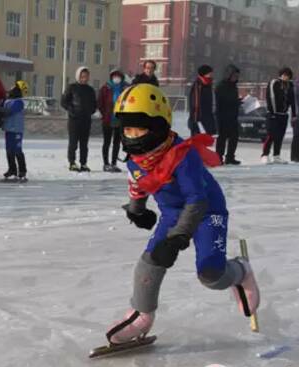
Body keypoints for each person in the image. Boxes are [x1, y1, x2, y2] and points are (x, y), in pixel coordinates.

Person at [104, 83, 260, 345]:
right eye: (127, 129)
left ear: (157, 126)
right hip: (172, 213)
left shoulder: (181, 156)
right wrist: (137, 210)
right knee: (150, 262)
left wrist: (178, 238)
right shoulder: (135, 157)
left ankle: (240, 272)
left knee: (211, 276)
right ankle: (141, 314)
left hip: (207, 211)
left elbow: (196, 200)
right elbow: (137, 182)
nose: (131, 136)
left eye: (138, 128)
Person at [61, 66, 97, 172]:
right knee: (73, 143)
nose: (84, 78)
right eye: (82, 76)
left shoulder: (90, 90)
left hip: (86, 120)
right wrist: (71, 110)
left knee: (84, 144)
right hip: (74, 120)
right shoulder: (71, 87)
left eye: (86, 76)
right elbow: (64, 102)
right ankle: (72, 162)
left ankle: (83, 163)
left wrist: (91, 110)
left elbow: (94, 104)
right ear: (78, 76)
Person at [261, 67, 296, 164]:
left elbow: (292, 101)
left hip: (283, 115)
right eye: (284, 75)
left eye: (288, 75)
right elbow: (271, 97)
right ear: (281, 75)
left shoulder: (290, 85)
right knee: (271, 135)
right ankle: (265, 154)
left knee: (280, 136)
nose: (286, 77)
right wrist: (273, 111)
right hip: (273, 114)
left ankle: (276, 155)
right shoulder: (275, 83)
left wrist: (294, 114)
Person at [98, 69, 128, 172]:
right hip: (108, 119)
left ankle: (114, 163)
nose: (116, 78)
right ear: (111, 77)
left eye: (118, 76)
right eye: (114, 76)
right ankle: (106, 164)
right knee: (106, 142)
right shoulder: (105, 88)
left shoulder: (125, 88)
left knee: (117, 143)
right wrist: (104, 113)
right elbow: (100, 102)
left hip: (120, 120)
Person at [215, 65, 242, 165]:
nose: (236, 78)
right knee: (222, 138)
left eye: (237, 76)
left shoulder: (234, 87)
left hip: (233, 117)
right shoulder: (221, 86)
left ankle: (230, 157)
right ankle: (218, 157)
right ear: (229, 75)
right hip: (223, 117)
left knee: (234, 137)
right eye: (234, 75)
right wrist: (235, 101)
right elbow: (220, 102)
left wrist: (238, 102)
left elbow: (232, 100)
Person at [2, 80, 29, 182]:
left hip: (16, 130)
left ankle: (22, 170)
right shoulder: (8, 101)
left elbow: (10, 111)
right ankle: (12, 169)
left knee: (17, 150)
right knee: (9, 150)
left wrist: (0, 111)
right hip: (9, 129)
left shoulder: (18, 102)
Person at [188, 65, 216, 137]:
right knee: (197, 136)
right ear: (204, 73)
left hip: (207, 112)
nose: (211, 74)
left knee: (209, 133)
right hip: (199, 113)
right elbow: (195, 100)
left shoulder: (209, 84)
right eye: (209, 73)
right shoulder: (198, 84)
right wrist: (195, 115)